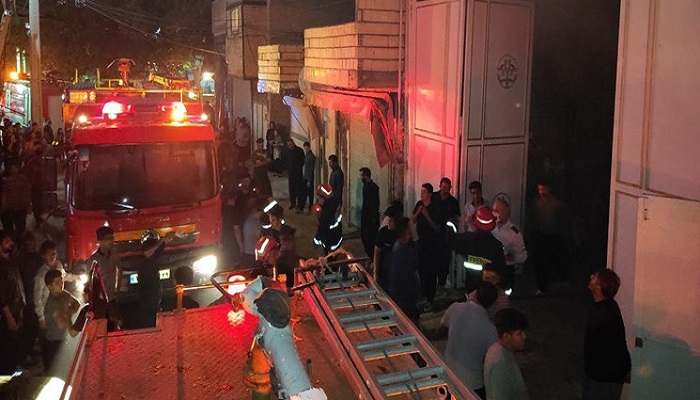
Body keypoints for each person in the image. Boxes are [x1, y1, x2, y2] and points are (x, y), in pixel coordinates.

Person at [441, 281, 498, 399]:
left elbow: (441, 329)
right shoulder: (491, 330)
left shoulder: (455, 307)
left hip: (447, 373)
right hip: (472, 384)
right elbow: (491, 360)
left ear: (475, 294)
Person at [583, 269, 631, 400]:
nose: (591, 277)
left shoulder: (604, 314)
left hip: (603, 378)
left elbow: (618, 343)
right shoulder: (607, 307)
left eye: (594, 277)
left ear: (599, 287)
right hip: (600, 375)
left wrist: (626, 368)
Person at [449, 206, 506, 293]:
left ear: (475, 222)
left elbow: (451, 240)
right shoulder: (497, 245)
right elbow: (501, 270)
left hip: (471, 288)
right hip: (490, 290)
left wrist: (450, 223)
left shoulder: (468, 239)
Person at [528, 182, 571, 294]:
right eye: (539, 189)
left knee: (553, 260)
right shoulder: (536, 203)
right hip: (540, 237)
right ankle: (542, 286)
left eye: (543, 189)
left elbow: (563, 220)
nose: (541, 192)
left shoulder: (557, 204)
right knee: (541, 262)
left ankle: (558, 283)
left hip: (554, 237)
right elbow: (532, 219)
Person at [34, 240, 79, 333]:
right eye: (49, 254)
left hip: (60, 303)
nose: (52, 256)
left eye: (54, 253)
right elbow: (37, 298)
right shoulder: (40, 275)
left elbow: (64, 276)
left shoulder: (58, 265)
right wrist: (41, 318)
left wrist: (76, 277)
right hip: (49, 309)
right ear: (43, 256)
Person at [484, 308, 530, 400]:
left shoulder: (503, 351)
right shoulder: (500, 364)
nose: (524, 336)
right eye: (519, 333)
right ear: (506, 337)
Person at [41, 269, 79, 375]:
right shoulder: (51, 305)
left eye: (62, 281)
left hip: (64, 340)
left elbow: (76, 304)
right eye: (57, 283)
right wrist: (68, 316)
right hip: (54, 343)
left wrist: (68, 314)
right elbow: (62, 324)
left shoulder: (64, 294)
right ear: (49, 287)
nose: (61, 284)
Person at [133, 233, 174, 329]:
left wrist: (167, 238)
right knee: (149, 320)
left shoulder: (152, 258)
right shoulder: (144, 263)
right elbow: (147, 253)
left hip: (153, 297)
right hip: (148, 297)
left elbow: (159, 247)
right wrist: (162, 241)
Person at [15, 232, 43, 366]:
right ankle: (26, 354)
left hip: (34, 296)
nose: (32, 245)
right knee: (29, 327)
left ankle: (29, 351)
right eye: (29, 244)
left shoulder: (35, 257)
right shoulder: (21, 259)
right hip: (28, 297)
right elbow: (21, 279)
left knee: (33, 326)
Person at [386, 217, 421, 325]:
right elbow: (410, 272)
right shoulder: (404, 251)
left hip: (398, 291)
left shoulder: (396, 248)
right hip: (405, 293)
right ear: (405, 232)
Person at [410, 183, 441, 303]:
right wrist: (418, 212)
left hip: (432, 244)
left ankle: (430, 297)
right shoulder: (419, 204)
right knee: (421, 269)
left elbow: (437, 228)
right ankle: (422, 294)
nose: (422, 194)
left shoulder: (435, 207)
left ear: (430, 194)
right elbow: (411, 221)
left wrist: (427, 216)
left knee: (431, 271)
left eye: (424, 192)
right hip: (420, 243)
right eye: (421, 191)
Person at [0, 230, 25, 374]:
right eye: (7, 241)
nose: (11, 244)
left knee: (14, 343)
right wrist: (9, 317)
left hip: (16, 309)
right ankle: (6, 374)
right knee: (6, 345)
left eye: (11, 241)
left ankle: (13, 369)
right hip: (7, 313)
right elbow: (1, 295)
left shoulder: (12, 261)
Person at [87, 226, 122, 328]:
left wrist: (117, 289)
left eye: (112, 238)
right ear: (100, 241)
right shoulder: (93, 260)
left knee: (115, 325)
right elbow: (90, 284)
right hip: (100, 301)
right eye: (108, 239)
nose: (111, 241)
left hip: (112, 298)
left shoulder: (114, 255)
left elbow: (119, 270)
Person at [491, 197, 527, 292]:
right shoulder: (490, 226)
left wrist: (512, 257)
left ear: (506, 213)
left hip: (506, 270)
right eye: (493, 210)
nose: (494, 213)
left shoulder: (514, 233)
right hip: (491, 268)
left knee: (504, 295)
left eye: (497, 210)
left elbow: (523, 256)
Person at [431, 177, 461, 291]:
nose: (445, 190)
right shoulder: (433, 198)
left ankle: (441, 286)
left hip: (446, 239)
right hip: (432, 237)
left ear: (450, 188)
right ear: (440, 186)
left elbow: (457, 219)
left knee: (444, 263)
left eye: (447, 188)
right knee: (432, 262)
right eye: (443, 187)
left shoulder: (453, 202)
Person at [373, 204, 401, 290]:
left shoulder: (402, 234)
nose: (388, 223)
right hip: (385, 272)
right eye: (388, 220)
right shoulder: (383, 232)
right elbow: (377, 253)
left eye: (391, 220)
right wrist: (376, 273)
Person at [1, 160, 32, 236]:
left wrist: (3, 208)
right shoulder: (24, 180)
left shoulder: (7, 181)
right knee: (20, 229)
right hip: (17, 208)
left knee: (10, 230)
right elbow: (27, 194)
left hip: (13, 208)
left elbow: (27, 194)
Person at [359, 167, 380, 259]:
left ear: (366, 176)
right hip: (365, 217)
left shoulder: (373, 187)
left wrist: (372, 218)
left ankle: (372, 258)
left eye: (361, 175)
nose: (360, 178)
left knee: (370, 239)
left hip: (371, 219)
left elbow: (375, 204)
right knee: (364, 237)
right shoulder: (365, 186)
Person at [285, 138, 305, 212]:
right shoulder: (288, 152)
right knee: (292, 189)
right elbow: (286, 161)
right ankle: (293, 203)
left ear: (293, 143)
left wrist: (298, 167)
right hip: (291, 174)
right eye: (289, 145)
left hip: (298, 174)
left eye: (291, 144)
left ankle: (300, 205)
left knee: (299, 190)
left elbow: (302, 161)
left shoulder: (299, 151)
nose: (290, 146)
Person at [300, 142, 316, 213]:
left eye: (307, 148)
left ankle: (310, 207)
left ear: (309, 147)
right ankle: (302, 207)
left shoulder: (311, 157)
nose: (306, 149)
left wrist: (309, 180)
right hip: (305, 177)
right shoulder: (307, 155)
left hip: (309, 178)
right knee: (304, 193)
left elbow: (311, 169)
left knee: (310, 193)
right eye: (305, 148)